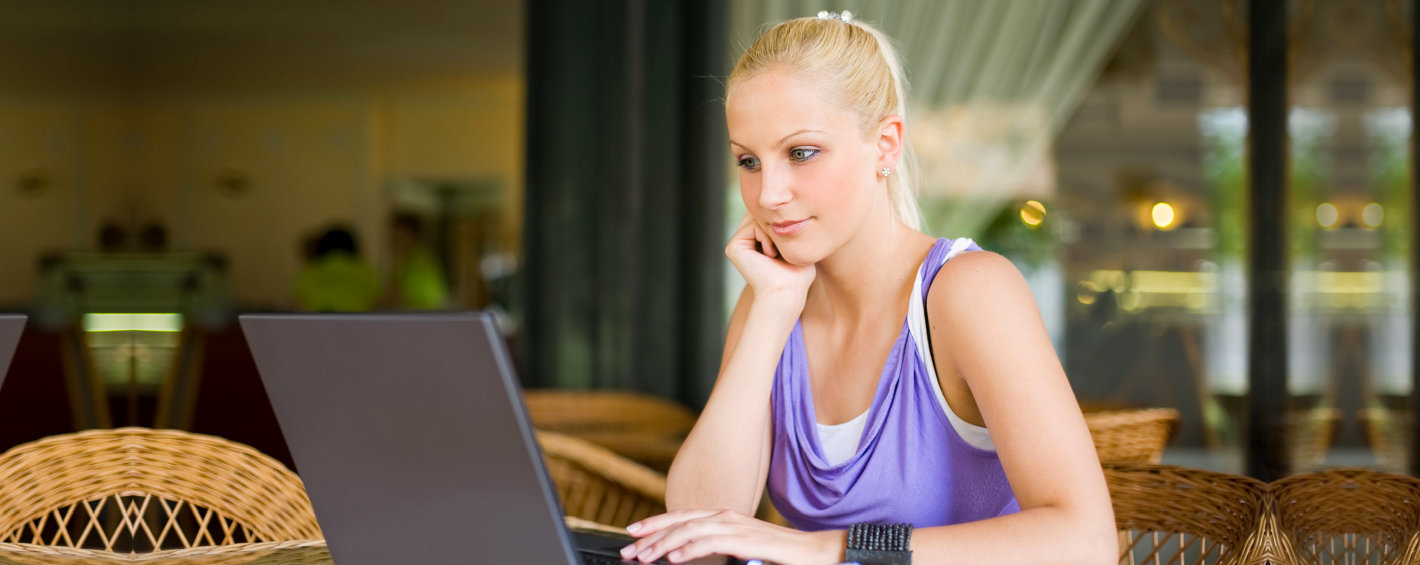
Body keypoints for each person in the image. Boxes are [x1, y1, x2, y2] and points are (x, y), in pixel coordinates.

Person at [619, 13, 1116, 565]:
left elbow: (1084, 541)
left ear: (884, 145)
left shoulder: (966, 293)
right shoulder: (771, 300)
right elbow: (699, 537)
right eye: (749, 161)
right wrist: (773, 309)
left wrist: (827, 549)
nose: (769, 193)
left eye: (801, 152)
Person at [294, 225, 380, 312]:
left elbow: (299, 303)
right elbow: (377, 301)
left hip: (319, 321)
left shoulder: (314, 268)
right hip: (356, 321)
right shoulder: (363, 268)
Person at [385, 212, 450, 310]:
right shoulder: (404, 261)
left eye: (398, 235)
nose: (393, 240)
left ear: (411, 234)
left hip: (422, 320)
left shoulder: (421, 263)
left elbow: (395, 295)